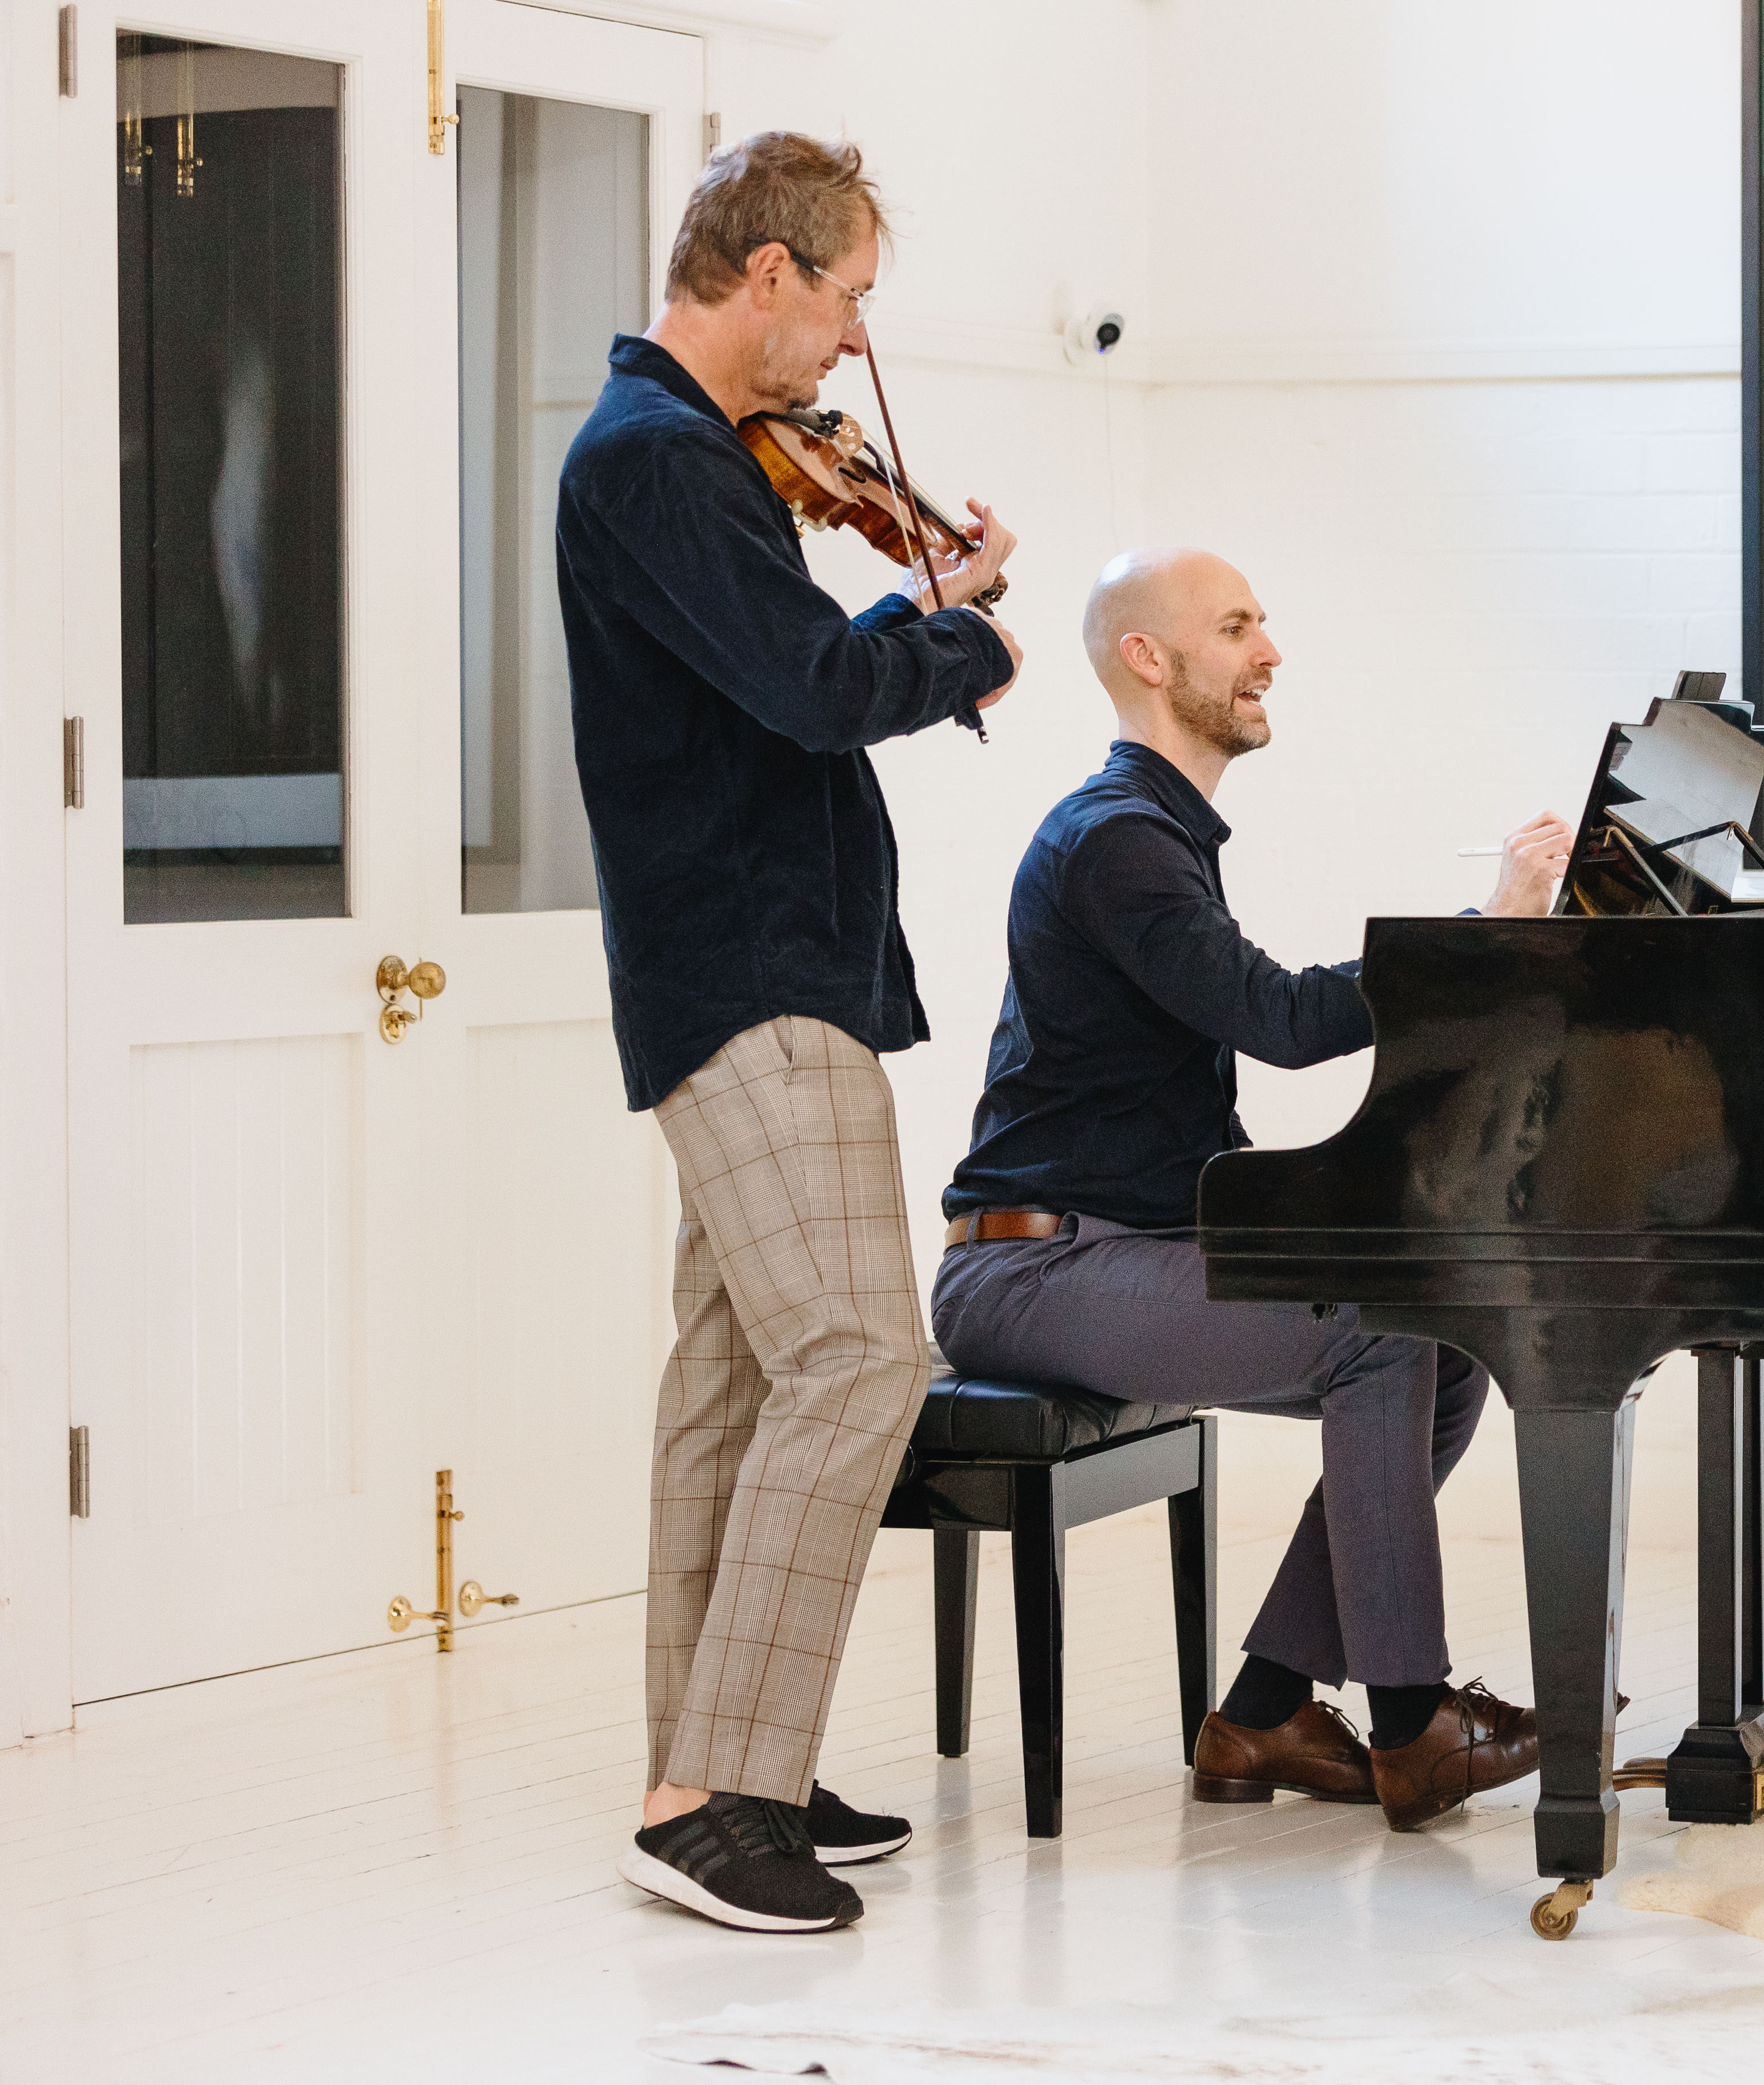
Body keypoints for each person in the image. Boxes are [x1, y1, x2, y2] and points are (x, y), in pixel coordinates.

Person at [556, 131, 1023, 1934]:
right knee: (862, 1360)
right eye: (846, 304)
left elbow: (780, 680)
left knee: (740, 1375)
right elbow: (818, 690)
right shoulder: (663, 462)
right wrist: (962, 642)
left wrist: (920, 607)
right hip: (753, 973)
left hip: (745, 962)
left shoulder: (677, 460)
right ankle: (715, 1794)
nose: (847, 351)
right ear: (771, 276)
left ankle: (710, 1755)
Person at [931, 546, 1573, 1833]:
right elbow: (1277, 1016)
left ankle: (1266, 1711)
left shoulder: (1157, 834)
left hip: (1105, 1250)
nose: (1270, 649)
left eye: (1264, 622)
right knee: (1381, 1333)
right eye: (1236, 627)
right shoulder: (1116, 842)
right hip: (1031, 1271)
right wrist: (1482, 932)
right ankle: (1411, 1724)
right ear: (1148, 660)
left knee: (1436, 1349)